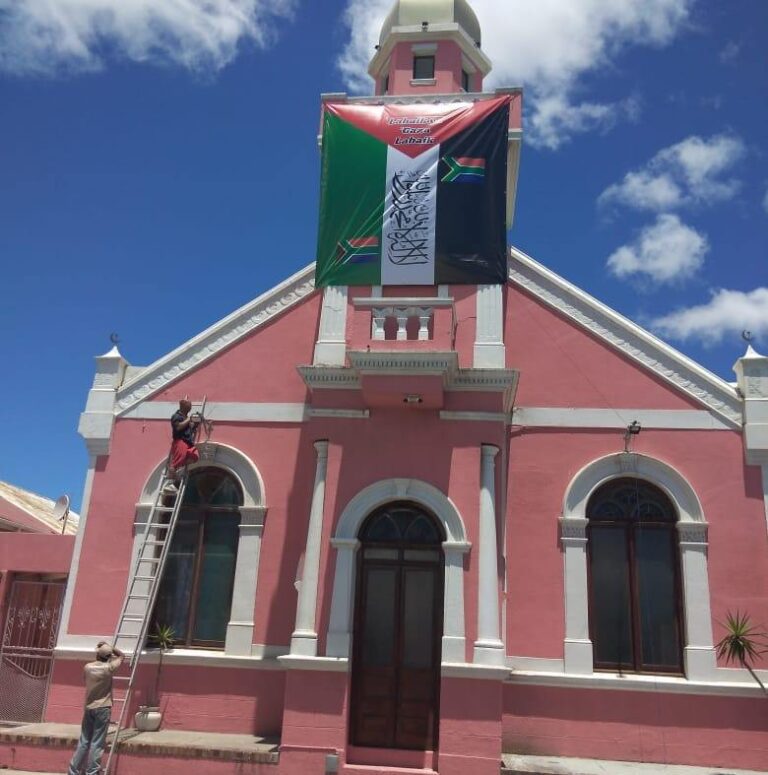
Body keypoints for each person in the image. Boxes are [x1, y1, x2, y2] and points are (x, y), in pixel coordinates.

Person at [67, 641, 124, 775]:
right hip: (103, 708)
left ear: (97, 654)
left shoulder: (87, 667)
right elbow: (122, 656)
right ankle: (92, 772)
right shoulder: (109, 668)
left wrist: (103, 647)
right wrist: (110, 646)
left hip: (89, 707)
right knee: (97, 742)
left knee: (84, 741)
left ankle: (73, 771)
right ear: (109, 656)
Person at [164, 399, 201, 494]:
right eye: (188, 406)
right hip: (180, 441)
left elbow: (189, 429)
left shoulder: (186, 417)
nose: (190, 408)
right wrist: (189, 419)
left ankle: (177, 473)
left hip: (188, 442)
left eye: (190, 406)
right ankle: (169, 483)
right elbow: (178, 427)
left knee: (195, 456)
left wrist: (194, 424)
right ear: (183, 407)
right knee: (176, 462)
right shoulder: (177, 416)